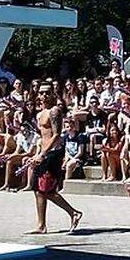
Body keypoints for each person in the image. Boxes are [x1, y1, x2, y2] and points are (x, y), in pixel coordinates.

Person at [28, 100, 83, 234]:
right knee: (38, 189)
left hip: (52, 154)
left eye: (47, 93)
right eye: (41, 93)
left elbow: (56, 135)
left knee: (46, 190)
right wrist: (37, 153)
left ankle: (73, 213)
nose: (44, 96)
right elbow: (43, 137)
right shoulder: (40, 113)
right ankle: (42, 225)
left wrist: (43, 154)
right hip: (44, 152)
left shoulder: (54, 111)